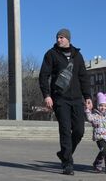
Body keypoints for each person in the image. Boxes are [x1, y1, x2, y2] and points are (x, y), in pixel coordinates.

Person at [39, 28, 92, 175]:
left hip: (76, 99)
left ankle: (64, 153)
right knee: (65, 130)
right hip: (60, 98)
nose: (58, 40)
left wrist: (87, 97)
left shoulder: (77, 56)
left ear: (68, 39)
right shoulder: (51, 54)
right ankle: (68, 162)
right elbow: (43, 76)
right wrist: (47, 95)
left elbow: (84, 77)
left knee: (79, 131)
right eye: (57, 37)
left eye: (62, 37)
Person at [85, 92, 106, 174]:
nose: (103, 108)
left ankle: (97, 163)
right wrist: (88, 110)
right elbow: (89, 118)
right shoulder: (95, 115)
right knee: (104, 150)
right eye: (101, 105)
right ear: (98, 106)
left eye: (105, 106)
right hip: (100, 137)